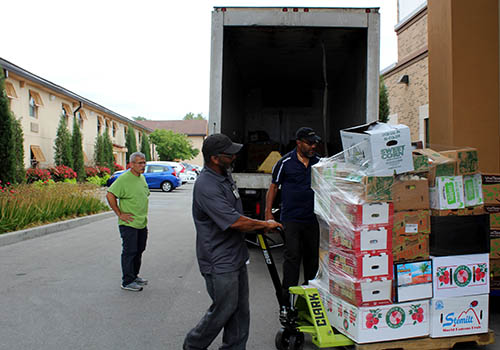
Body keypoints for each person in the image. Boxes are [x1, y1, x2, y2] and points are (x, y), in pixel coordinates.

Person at [184, 133, 283, 350]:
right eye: (229, 154)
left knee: (240, 310)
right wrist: (264, 224)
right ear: (215, 158)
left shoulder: (225, 175)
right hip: (218, 260)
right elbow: (234, 222)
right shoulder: (206, 185)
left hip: (235, 255)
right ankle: (193, 344)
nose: (234, 156)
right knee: (224, 309)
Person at [265, 127, 321, 309]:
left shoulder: (318, 163)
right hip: (291, 219)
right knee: (292, 258)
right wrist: (268, 214)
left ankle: (309, 303)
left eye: (315, 143)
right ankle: (286, 302)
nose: (313, 146)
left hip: (313, 220)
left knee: (312, 261)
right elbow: (273, 187)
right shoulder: (285, 163)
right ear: (299, 143)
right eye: (309, 143)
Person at [106, 152, 150, 292]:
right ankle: (127, 281)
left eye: (144, 163)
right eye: (139, 163)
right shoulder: (124, 179)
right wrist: (119, 213)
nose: (143, 166)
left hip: (141, 222)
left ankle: (134, 275)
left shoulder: (141, 178)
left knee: (139, 250)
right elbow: (110, 194)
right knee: (129, 252)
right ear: (131, 164)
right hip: (128, 224)